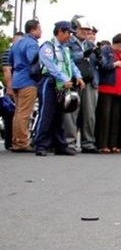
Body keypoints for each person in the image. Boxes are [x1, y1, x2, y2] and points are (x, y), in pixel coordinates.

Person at [33, 21, 84, 157]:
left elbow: (71, 64)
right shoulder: (47, 47)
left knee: (59, 115)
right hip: (49, 82)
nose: (70, 36)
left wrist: (78, 76)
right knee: (46, 114)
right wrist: (63, 79)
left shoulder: (65, 49)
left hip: (62, 85)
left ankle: (60, 145)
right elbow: (50, 66)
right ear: (60, 31)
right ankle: (41, 144)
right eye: (68, 33)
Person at [64, 15, 99, 153]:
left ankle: (88, 142)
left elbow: (97, 63)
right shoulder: (68, 43)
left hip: (90, 81)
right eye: (82, 29)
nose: (86, 32)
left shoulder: (90, 44)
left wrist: (99, 55)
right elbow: (69, 58)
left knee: (89, 114)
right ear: (75, 29)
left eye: (87, 29)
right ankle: (69, 142)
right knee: (71, 113)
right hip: (73, 81)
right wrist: (84, 53)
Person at [8, 21, 42, 152]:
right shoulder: (32, 44)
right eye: (39, 29)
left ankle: (16, 140)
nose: (40, 32)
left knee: (18, 112)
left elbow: (10, 61)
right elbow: (33, 60)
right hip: (28, 80)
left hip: (17, 78)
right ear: (33, 30)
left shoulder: (16, 44)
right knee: (24, 113)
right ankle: (22, 142)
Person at [95, 33, 121, 153]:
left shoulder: (120, 55)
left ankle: (113, 144)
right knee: (105, 117)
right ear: (115, 43)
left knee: (115, 117)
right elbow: (102, 65)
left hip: (118, 88)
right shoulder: (106, 50)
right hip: (107, 87)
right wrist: (114, 64)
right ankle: (103, 144)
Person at [2, 31, 24, 150]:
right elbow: (6, 69)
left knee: (15, 113)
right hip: (13, 87)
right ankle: (11, 141)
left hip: (19, 84)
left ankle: (12, 140)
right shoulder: (9, 52)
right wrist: (9, 88)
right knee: (11, 113)